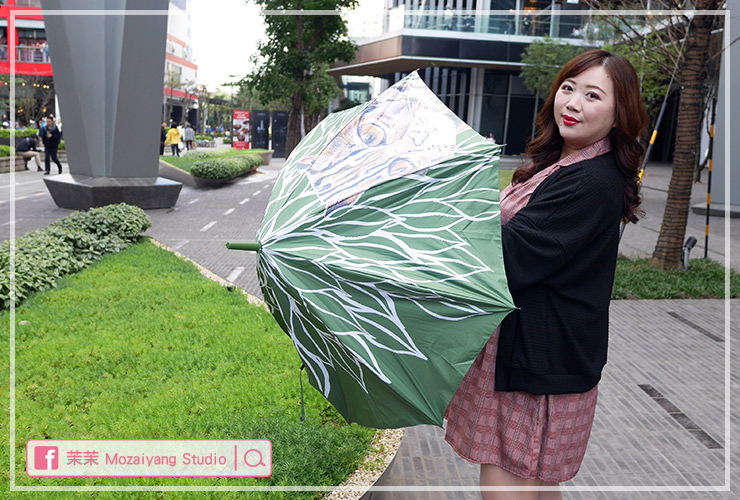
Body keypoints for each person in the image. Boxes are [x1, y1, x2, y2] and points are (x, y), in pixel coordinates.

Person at [444, 49, 648, 500]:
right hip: (540, 356)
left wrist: (445, 210)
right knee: (534, 484)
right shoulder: (564, 164)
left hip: (541, 363)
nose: (572, 103)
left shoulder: (591, 181)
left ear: (618, 116)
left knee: (507, 486)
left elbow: (513, 258)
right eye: (568, 88)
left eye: (593, 95)